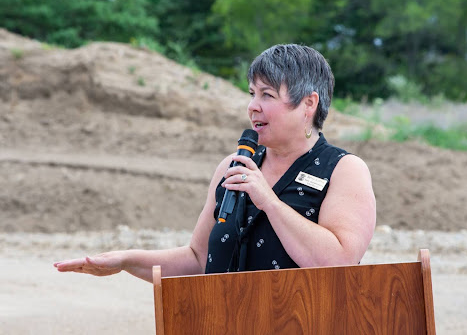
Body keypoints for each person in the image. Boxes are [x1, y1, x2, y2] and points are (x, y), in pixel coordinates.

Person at [54, 44, 376, 282]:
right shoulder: (233, 167)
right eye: (251, 94)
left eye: (267, 95)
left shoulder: (344, 170)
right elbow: (197, 260)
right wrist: (126, 260)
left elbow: (340, 263)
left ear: (308, 104)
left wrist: (269, 201)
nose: (252, 107)